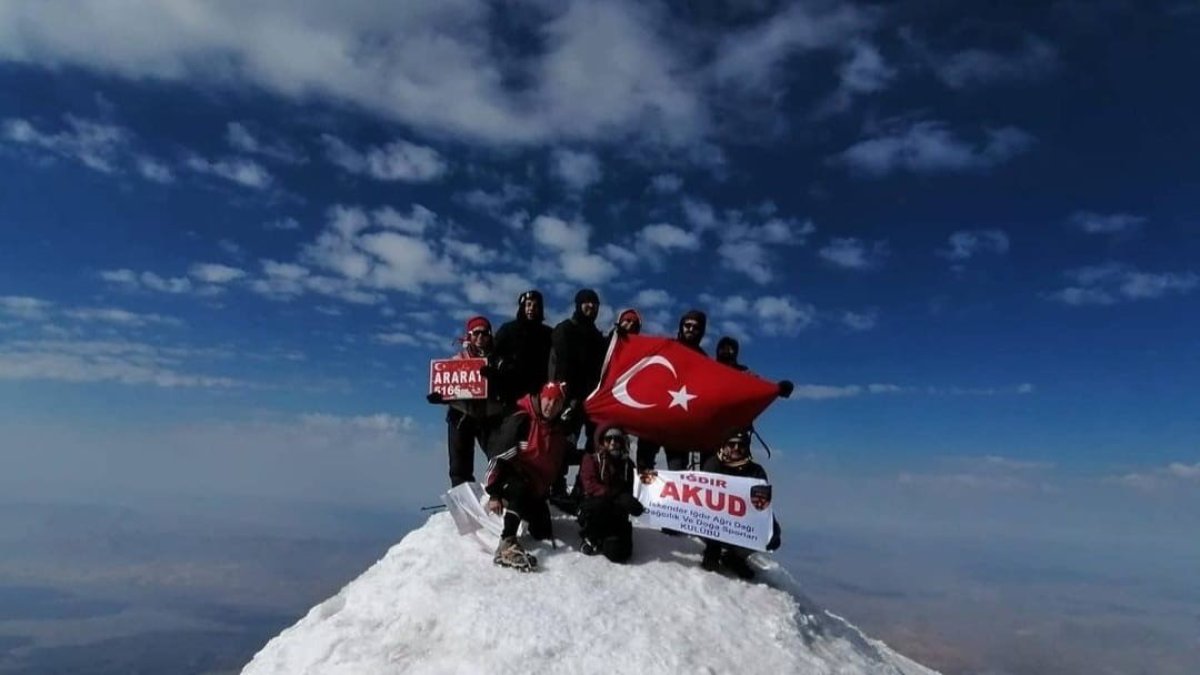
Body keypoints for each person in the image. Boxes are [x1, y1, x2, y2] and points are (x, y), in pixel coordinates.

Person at [484, 381, 571, 572]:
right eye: (548, 399)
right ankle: (506, 543)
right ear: (541, 397)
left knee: (542, 531)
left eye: (557, 402)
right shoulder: (522, 419)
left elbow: (560, 460)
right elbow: (498, 457)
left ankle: (518, 511)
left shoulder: (557, 431)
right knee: (520, 487)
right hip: (510, 482)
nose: (551, 405)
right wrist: (494, 494)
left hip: (535, 488)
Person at [426, 316, 511, 487]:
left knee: (501, 459)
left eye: (484, 333)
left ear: (490, 336)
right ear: (469, 336)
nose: (480, 337)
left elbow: (509, 385)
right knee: (459, 467)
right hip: (462, 415)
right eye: (476, 333)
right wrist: (441, 397)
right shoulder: (458, 360)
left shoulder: (499, 360)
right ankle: (464, 498)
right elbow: (449, 385)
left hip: (490, 416)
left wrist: (496, 379)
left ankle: (501, 495)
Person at [547, 289, 606, 509]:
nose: (591, 306)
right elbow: (558, 365)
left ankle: (583, 486)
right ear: (578, 304)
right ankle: (556, 486)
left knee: (594, 445)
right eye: (586, 302)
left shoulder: (598, 337)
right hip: (568, 399)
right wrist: (562, 397)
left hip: (593, 401)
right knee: (563, 443)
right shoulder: (565, 329)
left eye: (594, 303)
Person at [697, 428, 781, 580]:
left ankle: (735, 557)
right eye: (732, 444)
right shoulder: (713, 464)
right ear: (724, 446)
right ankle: (712, 550)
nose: (736, 448)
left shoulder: (756, 471)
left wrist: (772, 527)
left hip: (741, 522)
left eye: (741, 445)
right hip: (715, 521)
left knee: (772, 536)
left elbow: (761, 504)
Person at [636, 310, 709, 472]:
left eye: (695, 327)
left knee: (678, 471)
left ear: (701, 331)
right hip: (655, 415)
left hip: (680, 423)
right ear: (681, 326)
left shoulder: (704, 360)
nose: (691, 329)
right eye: (687, 325)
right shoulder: (667, 347)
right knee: (643, 467)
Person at [577, 425, 644, 563]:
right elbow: (590, 486)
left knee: (619, 553)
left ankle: (606, 540)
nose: (613, 443)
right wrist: (617, 496)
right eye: (609, 439)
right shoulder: (592, 459)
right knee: (600, 503)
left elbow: (630, 489)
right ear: (602, 441)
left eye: (617, 439)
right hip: (595, 509)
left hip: (616, 512)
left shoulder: (628, 465)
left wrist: (632, 503)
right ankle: (591, 536)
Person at [493, 290, 553, 398]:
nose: (531, 308)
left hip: (538, 392)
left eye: (535, 305)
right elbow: (494, 353)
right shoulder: (508, 329)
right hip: (510, 389)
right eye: (528, 305)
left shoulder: (548, 334)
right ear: (522, 307)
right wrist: (503, 364)